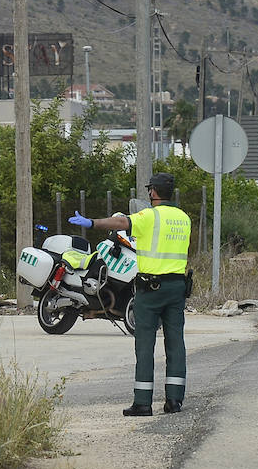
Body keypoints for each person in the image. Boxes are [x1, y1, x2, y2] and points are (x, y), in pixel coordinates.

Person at [70, 172, 192, 416]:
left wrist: (91, 223)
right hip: (178, 288)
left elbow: (120, 223)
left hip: (151, 289)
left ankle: (143, 403)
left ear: (152, 192)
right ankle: (174, 401)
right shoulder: (184, 218)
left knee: (145, 344)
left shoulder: (150, 216)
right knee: (175, 342)